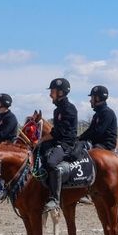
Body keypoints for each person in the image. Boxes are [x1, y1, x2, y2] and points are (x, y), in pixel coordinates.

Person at [38, 78, 78, 213]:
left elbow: (58, 133)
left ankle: (54, 199)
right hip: (57, 141)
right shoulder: (58, 110)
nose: (50, 95)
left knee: (51, 162)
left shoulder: (69, 109)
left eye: (53, 91)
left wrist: (42, 139)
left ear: (61, 92)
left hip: (66, 144)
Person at [78, 85, 117, 151]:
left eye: (92, 98)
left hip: (105, 145)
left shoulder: (107, 113)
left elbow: (98, 132)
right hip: (97, 143)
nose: (90, 101)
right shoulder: (97, 114)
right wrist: (79, 138)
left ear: (97, 98)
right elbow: (90, 130)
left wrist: (81, 139)